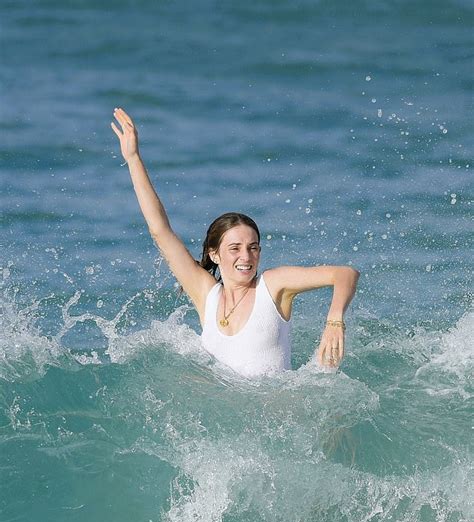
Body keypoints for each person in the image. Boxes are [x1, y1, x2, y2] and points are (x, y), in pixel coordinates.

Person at [111, 107, 360, 377]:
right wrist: (134, 158)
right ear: (214, 254)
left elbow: (345, 274)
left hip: (278, 411)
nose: (246, 256)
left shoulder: (273, 286)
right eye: (235, 248)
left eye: (253, 248)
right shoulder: (206, 295)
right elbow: (160, 231)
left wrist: (335, 321)